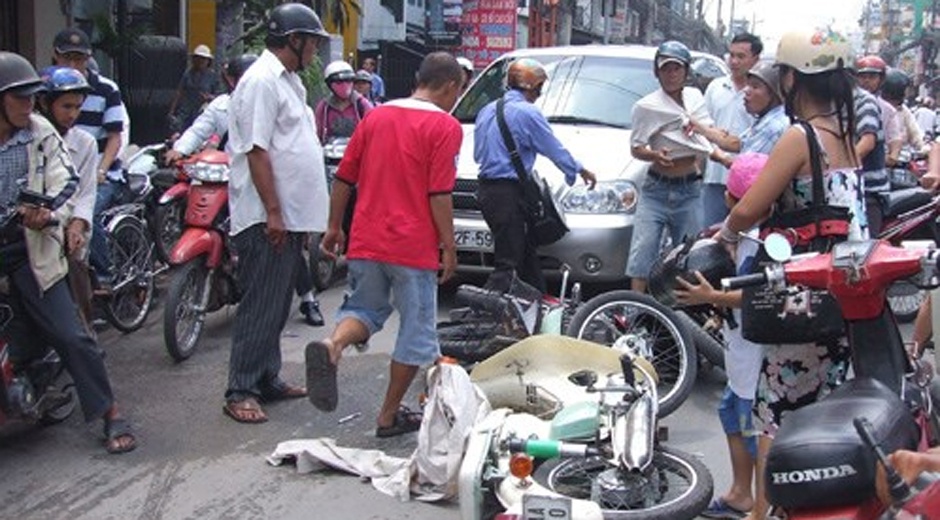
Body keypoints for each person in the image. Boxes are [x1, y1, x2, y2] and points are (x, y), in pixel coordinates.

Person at [716, 28, 866, 520]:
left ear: (791, 78)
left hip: (800, 301)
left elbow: (747, 212)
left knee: (777, 425)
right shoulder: (845, 134)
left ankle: (766, 512)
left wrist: (731, 222)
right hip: (844, 296)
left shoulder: (799, 137)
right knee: (826, 420)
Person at [304, 52, 464, 438]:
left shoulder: (375, 115)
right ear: (449, 86)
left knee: (363, 309)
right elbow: (438, 193)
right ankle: (388, 416)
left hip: (367, 237)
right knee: (416, 333)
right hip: (413, 245)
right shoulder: (445, 126)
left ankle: (333, 344)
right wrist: (449, 246)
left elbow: (344, 176)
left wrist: (332, 227)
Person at [0, 51, 135, 454]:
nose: (29, 106)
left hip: (30, 251)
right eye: (20, 98)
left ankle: (111, 413)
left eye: (31, 98)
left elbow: (67, 180)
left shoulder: (40, 132)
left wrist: (44, 210)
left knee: (72, 335)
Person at [222, 2, 332, 424]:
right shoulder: (261, 81)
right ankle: (241, 389)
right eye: (312, 42)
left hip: (288, 216)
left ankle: (266, 376)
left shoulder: (290, 82)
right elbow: (256, 150)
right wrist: (273, 212)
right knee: (260, 303)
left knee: (276, 302)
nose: (316, 52)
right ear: (294, 40)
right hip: (265, 215)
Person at [675, 153, 769, 519]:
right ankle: (740, 494)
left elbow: (761, 295)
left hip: (756, 360)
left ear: (734, 200)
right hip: (739, 355)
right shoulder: (742, 235)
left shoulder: (765, 241)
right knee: (732, 414)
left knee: (756, 432)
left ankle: (762, 507)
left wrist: (710, 297)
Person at [473, 58, 597, 293]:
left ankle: (536, 303)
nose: (540, 93)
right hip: (508, 193)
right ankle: (486, 310)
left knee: (524, 253)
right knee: (508, 263)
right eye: (539, 86)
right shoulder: (528, 113)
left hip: (487, 192)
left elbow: (479, 153)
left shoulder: (487, 110)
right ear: (532, 86)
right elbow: (553, 148)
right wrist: (577, 169)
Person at [628, 40, 731, 293]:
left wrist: (722, 155)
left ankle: (687, 317)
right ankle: (632, 311)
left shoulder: (695, 99)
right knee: (643, 253)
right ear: (656, 72)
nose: (671, 74)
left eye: (676, 69)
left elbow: (703, 136)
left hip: (689, 190)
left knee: (691, 256)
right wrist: (654, 155)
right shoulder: (646, 106)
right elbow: (636, 147)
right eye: (665, 69)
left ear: (686, 71)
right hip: (656, 189)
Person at [51, 27, 128, 287]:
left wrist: (101, 170)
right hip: (58, 175)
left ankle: (103, 275)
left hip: (98, 172)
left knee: (87, 214)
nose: (74, 64)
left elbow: (115, 138)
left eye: (80, 59)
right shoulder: (46, 89)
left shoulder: (106, 89)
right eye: (67, 58)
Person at [35, 66, 99, 335]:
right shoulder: (28, 139)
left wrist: (76, 225)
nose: (72, 114)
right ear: (45, 103)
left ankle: (86, 334)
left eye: (77, 107)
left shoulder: (85, 143)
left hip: (68, 226)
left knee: (75, 266)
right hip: (32, 225)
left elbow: (86, 192)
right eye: (66, 106)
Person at [701, 33, 761, 226]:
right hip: (715, 179)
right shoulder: (715, 87)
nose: (734, 61)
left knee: (744, 239)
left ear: (756, 59)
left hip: (750, 185)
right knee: (709, 239)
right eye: (731, 55)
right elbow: (704, 128)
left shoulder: (761, 94)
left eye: (741, 56)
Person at [165, 54, 258, 163]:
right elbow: (198, 131)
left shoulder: (275, 103)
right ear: (231, 80)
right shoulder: (220, 106)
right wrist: (180, 150)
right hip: (227, 168)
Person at [854, 55, 900, 235]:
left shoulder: (869, 104)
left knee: (864, 251)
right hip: (851, 184)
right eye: (863, 76)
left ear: (881, 80)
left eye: (871, 77)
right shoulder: (844, 103)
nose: (866, 81)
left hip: (869, 188)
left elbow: (868, 143)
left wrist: (838, 167)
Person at [315, 60, 373, 144]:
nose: (344, 85)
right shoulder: (324, 107)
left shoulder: (362, 104)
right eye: (339, 82)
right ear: (329, 84)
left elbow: (373, 129)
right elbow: (317, 133)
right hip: (331, 152)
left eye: (348, 81)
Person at [168, 44, 221, 134]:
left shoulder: (213, 76)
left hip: (202, 113)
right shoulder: (188, 74)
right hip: (185, 112)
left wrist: (210, 98)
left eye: (203, 59)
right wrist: (171, 111)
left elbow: (220, 97)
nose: (200, 61)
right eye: (198, 58)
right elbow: (179, 92)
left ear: (208, 61)